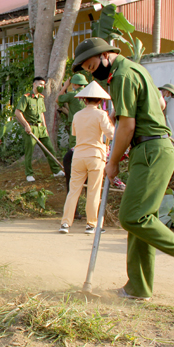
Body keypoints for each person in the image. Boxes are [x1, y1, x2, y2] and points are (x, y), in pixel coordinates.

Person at [72, 37, 174, 301]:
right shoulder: (135, 69)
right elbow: (159, 104)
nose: (93, 73)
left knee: (132, 217)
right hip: (151, 150)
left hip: (150, 150)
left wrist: (112, 161)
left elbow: (128, 127)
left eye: (91, 67)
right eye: (88, 71)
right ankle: (138, 287)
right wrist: (119, 114)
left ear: (104, 56)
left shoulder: (122, 75)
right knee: (142, 219)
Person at [58, 81, 114, 234]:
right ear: (100, 101)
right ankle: (91, 225)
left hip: (79, 155)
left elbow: (75, 133)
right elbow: (111, 134)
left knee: (74, 190)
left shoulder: (77, 115)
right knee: (93, 191)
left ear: (84, 99)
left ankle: (65, 223)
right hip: (95, 155)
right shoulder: (102, 114)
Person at [14, 77, 64, 182]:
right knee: (29, 152)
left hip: (41, 128)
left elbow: (41, 114)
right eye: (40, 84)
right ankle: (29, 174)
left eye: (43, 85)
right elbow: (17, 112)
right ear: (34, 84)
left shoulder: (41, 98)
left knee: (49, 149)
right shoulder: (26, 97)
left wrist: (44, 127)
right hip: (31, 128)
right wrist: (26, 125)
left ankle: (56, 171)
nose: (42, 86)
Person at [57, 73, 89, 148]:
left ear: (74, 84)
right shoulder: (90, 93)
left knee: (74, 143)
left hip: (76, 123)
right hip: (89, 122)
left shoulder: (72, 94)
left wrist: (65, 87)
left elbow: (58, 99)